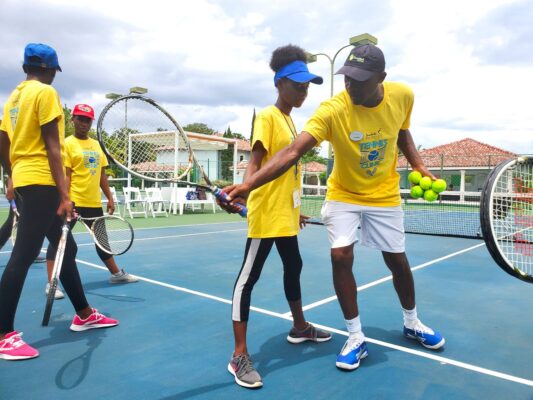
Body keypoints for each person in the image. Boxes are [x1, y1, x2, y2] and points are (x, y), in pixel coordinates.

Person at [225, 44, 445, 371]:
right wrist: (247, 185)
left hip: (382, 194)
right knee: (339, 256)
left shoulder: (402, 96)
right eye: (347, 78)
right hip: (340, 194)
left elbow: (402, 131)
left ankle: (411, 322)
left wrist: (419, 164)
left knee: (396, 260)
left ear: (381, 78)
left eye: (359, 80)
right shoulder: (330, 110)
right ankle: (354, 337)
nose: (350, 85)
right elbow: (291, 153)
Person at [0, 43, 118, 361]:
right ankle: (3, 334)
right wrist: (65, 195)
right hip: (42, 182)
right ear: (51, 69)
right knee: (23, 255)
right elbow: (54, 147)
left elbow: (3, 141)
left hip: (27, 178)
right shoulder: (45, 93)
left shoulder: (14, 97)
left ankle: (83, 313)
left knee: (68, 248)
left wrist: (10, 175)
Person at [224, 45, 332, 389]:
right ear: (280, 82)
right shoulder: (269, 117)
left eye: (307, 86)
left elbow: (288, 170)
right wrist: (243, 190)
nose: (304, 91)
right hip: (266, 215)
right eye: (298, 85)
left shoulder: (288, 119)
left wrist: (296, 210)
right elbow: (255, 163)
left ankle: (299, 327)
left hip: (285, 214)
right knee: (248, 278)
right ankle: (239, 355)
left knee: (294, 266)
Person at [45, 103, 138, 295]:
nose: (84, 123)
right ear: (73, 119)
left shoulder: (96, 145)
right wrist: (66, 199)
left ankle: (116, 274)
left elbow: (102, 175)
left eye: (87, 120)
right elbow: (66, 175)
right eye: (80, 119)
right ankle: (51, 284)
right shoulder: (67, 144)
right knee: (59, 242)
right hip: (74, 201)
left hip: (93, 202)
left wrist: (110, 197)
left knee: (102, 241)